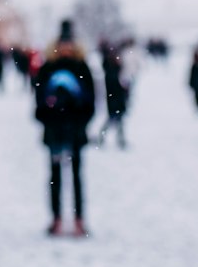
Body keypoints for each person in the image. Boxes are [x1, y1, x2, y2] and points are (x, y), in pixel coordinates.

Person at [34, 19, 96, 237]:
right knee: (55, 176)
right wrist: (49, 113)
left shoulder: (82, 67)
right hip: (54, 130)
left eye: (69, 44)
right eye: (63, 44)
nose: (66, 48)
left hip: (76, 130)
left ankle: (79, 219)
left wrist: (79, 116)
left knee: (77, 176)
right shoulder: (48, 67)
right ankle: (56, 218)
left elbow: (91, 100)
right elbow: (38, 99)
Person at [97, 45, 130, 148]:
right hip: (115, 101)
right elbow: (115, 88)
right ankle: (105, 138)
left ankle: (119, 140)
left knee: (118, 121)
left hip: (117, 100)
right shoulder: (111, 73)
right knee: (113, 121)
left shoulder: (116, 71)